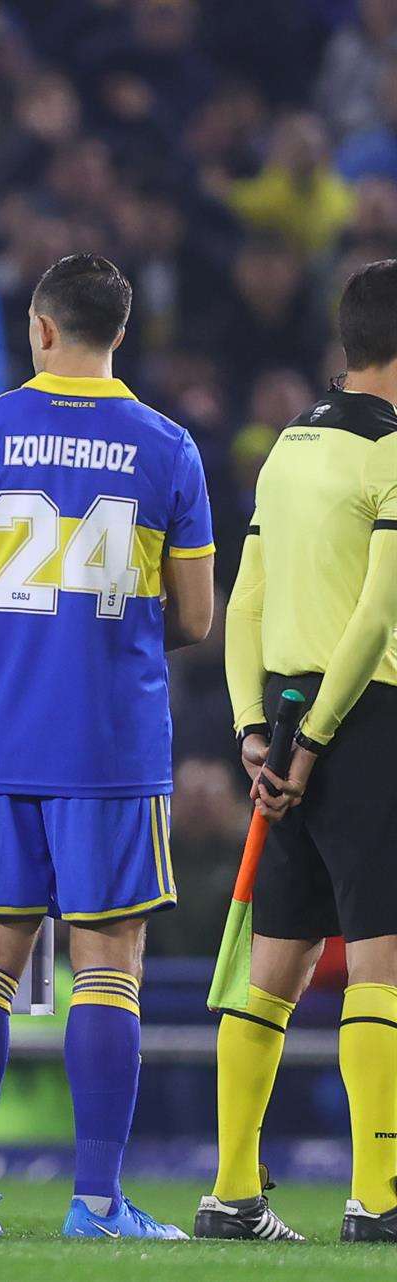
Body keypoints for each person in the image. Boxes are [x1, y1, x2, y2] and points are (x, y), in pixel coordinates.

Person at [0, 254, 215, 1239]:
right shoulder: (169, 448)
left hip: (8, 737)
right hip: (112, 742)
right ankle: (97, 1201)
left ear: (40, 330)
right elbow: (195, 614)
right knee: (108, 965)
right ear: (119, 334)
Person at [210, 258, 397, 1244]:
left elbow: (247, 595)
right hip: (365, 721)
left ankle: (232, 1192)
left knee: (273, 965)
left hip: (278, 719)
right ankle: (379, 1196)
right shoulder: (393, 456)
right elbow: (379, 612)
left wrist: (257, 730)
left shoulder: (286, 447)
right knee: (382, 961)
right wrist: (324, 735)